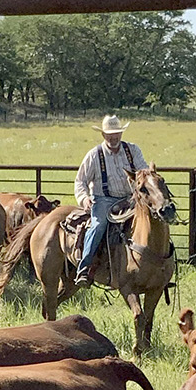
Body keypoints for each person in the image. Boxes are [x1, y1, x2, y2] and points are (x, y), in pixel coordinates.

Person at [72, 114, 150, 288]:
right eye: (110, 134)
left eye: (117, 133)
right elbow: (80, 181)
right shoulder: (94, 155)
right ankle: (84, 268)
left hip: (130, 199)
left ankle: (157, 266)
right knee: (98, 226)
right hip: (104, 199)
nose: (114, 137)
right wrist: (84, 199)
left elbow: (143, 172)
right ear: (103, 135)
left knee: (150, 219)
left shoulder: (132, 150)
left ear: (121, 134)